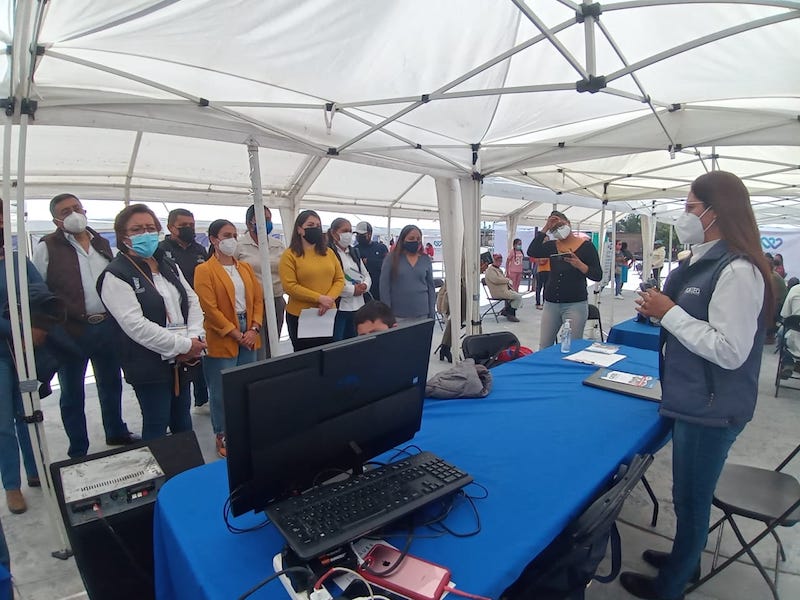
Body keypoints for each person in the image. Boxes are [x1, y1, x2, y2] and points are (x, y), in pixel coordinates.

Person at [621, 171, 772, 600]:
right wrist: (661, 310)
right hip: (694, 399)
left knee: (691, 499)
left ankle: (670, 587)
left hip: (713, 406)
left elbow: (729, 349)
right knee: (687, 493)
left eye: (690, 207)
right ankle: (686, 558)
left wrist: (669, 313)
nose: (684, 216)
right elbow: (696, 321)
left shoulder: (738, 271)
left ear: (715, 211)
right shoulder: (704, 261)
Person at [32, 193, 136, 458]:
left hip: (105, 325)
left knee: (111, 382)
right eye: (66, 211)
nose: (74, 213)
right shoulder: (47, 246)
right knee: (72, 391)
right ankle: (78, 448)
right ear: (56, 219)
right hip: (70, 331)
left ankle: (115, 430)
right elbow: (37, 289)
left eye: (77, 208)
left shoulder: (101, 242)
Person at [98, 204, 206, 442]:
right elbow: (135, 325)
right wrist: (183, 345)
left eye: (149, 228)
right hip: (148, 362)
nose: (145, 234)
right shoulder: (115, 275)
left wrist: (195, 338)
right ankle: (160, 478)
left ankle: (185, 474)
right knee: (156, 423)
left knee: (183, 421)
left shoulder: (168, 265)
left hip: (182, 360)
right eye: (137, 229)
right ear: (123, 236)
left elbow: (192, 299)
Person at [194, 219, 263, 458]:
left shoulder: (244, 268)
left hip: (248, 329)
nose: (231, 239)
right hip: (222, 333)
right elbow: (209, 308)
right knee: (221, 388)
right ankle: (223, 432)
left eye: (234, 234)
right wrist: (234, 332)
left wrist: (253, 327)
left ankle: (246, 429)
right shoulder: (204, 270)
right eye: (226, 235)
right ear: (213, 240)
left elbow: (257, 299)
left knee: (246, 384)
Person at [0, 209, 40, 514]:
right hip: (4, 349)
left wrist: (37, 326)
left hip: (24, 350)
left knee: (28, 412)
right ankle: (12, 485)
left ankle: (35, 468)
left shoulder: (16, 261)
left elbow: (42, 294)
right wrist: (14, 327)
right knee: (3, 422)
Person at [159, 208, 210, 412]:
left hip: (199, 310)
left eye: (192, 225)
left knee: (200, 353)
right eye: (184, 226)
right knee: (180, 357)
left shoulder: (199, 250)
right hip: (176, 314)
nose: (189, 228)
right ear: (171, 227)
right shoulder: (162, 250)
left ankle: (201, 399)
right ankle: (180, 399)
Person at [527, 210, 602, 348]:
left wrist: (580, 265)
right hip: (551, 303)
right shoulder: (552, 246)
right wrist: (545, 228)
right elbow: (532, 251)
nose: (558, 230)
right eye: (554, 228)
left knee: (571, 346)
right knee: (544, 345)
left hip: (575, 303)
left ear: (568, 223)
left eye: (560, 225)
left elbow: (597, 275)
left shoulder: (586, 247)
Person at [279, 210, 344, 351]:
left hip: (327, 314)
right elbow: (289, 285)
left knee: (327, 356)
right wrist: (319, 298)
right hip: (301, 316)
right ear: (299, 229)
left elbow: (339, 279)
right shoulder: (289, 255)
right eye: (310, 224)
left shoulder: (329, 253)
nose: (315, 228)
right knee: (305, 358)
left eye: (318, 225)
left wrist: (329, 299)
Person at [236, 204, 286, 358]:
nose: (266, 222)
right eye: (261, 219)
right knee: (258, 347)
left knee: (273, 344)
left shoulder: (278, 245)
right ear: (249, 222)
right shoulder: (239, 246)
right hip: (252, 303)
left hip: (276, 299)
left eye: (268, 219)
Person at [379, 225, 435, 322]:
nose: (415, 241)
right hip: (398, 315)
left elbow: (431, 287)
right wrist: (387, 313)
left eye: (418, 239)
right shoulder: (391, 259)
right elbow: (384, 287)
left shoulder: (425, 259)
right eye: (411, 238)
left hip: (423, 313)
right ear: (403, 239)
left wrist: (432, 313)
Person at [328, 218, 371, 341]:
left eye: (350, 231)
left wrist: (365, 286)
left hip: (358, 307)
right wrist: (352, 290)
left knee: (355, 342)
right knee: (337, 342)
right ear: (333, 233)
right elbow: (331, 281)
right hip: (339, 307)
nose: (348, 234)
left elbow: (366, 274)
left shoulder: (354, 252)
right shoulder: (329, 253)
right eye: (345, 231)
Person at [354, 221, 389, 301]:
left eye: (362, 235)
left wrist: (369, 262)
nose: (359, 237)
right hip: (363, 290)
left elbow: (387, 265)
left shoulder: (381, 247)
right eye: (358, 235)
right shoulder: (355, 250)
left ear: (370, 234)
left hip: (379, 289)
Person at [484, 253, 522, 322]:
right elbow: (496, 280)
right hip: (498, 292)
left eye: (500, 261)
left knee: (517, 297)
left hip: (504, 290)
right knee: (518, 297)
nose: (499, 262)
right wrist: (507, 280)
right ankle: (510, 313)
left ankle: (506, 310)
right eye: (498, 261)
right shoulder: (490, 270)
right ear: (493, 261)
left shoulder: (498, 270)